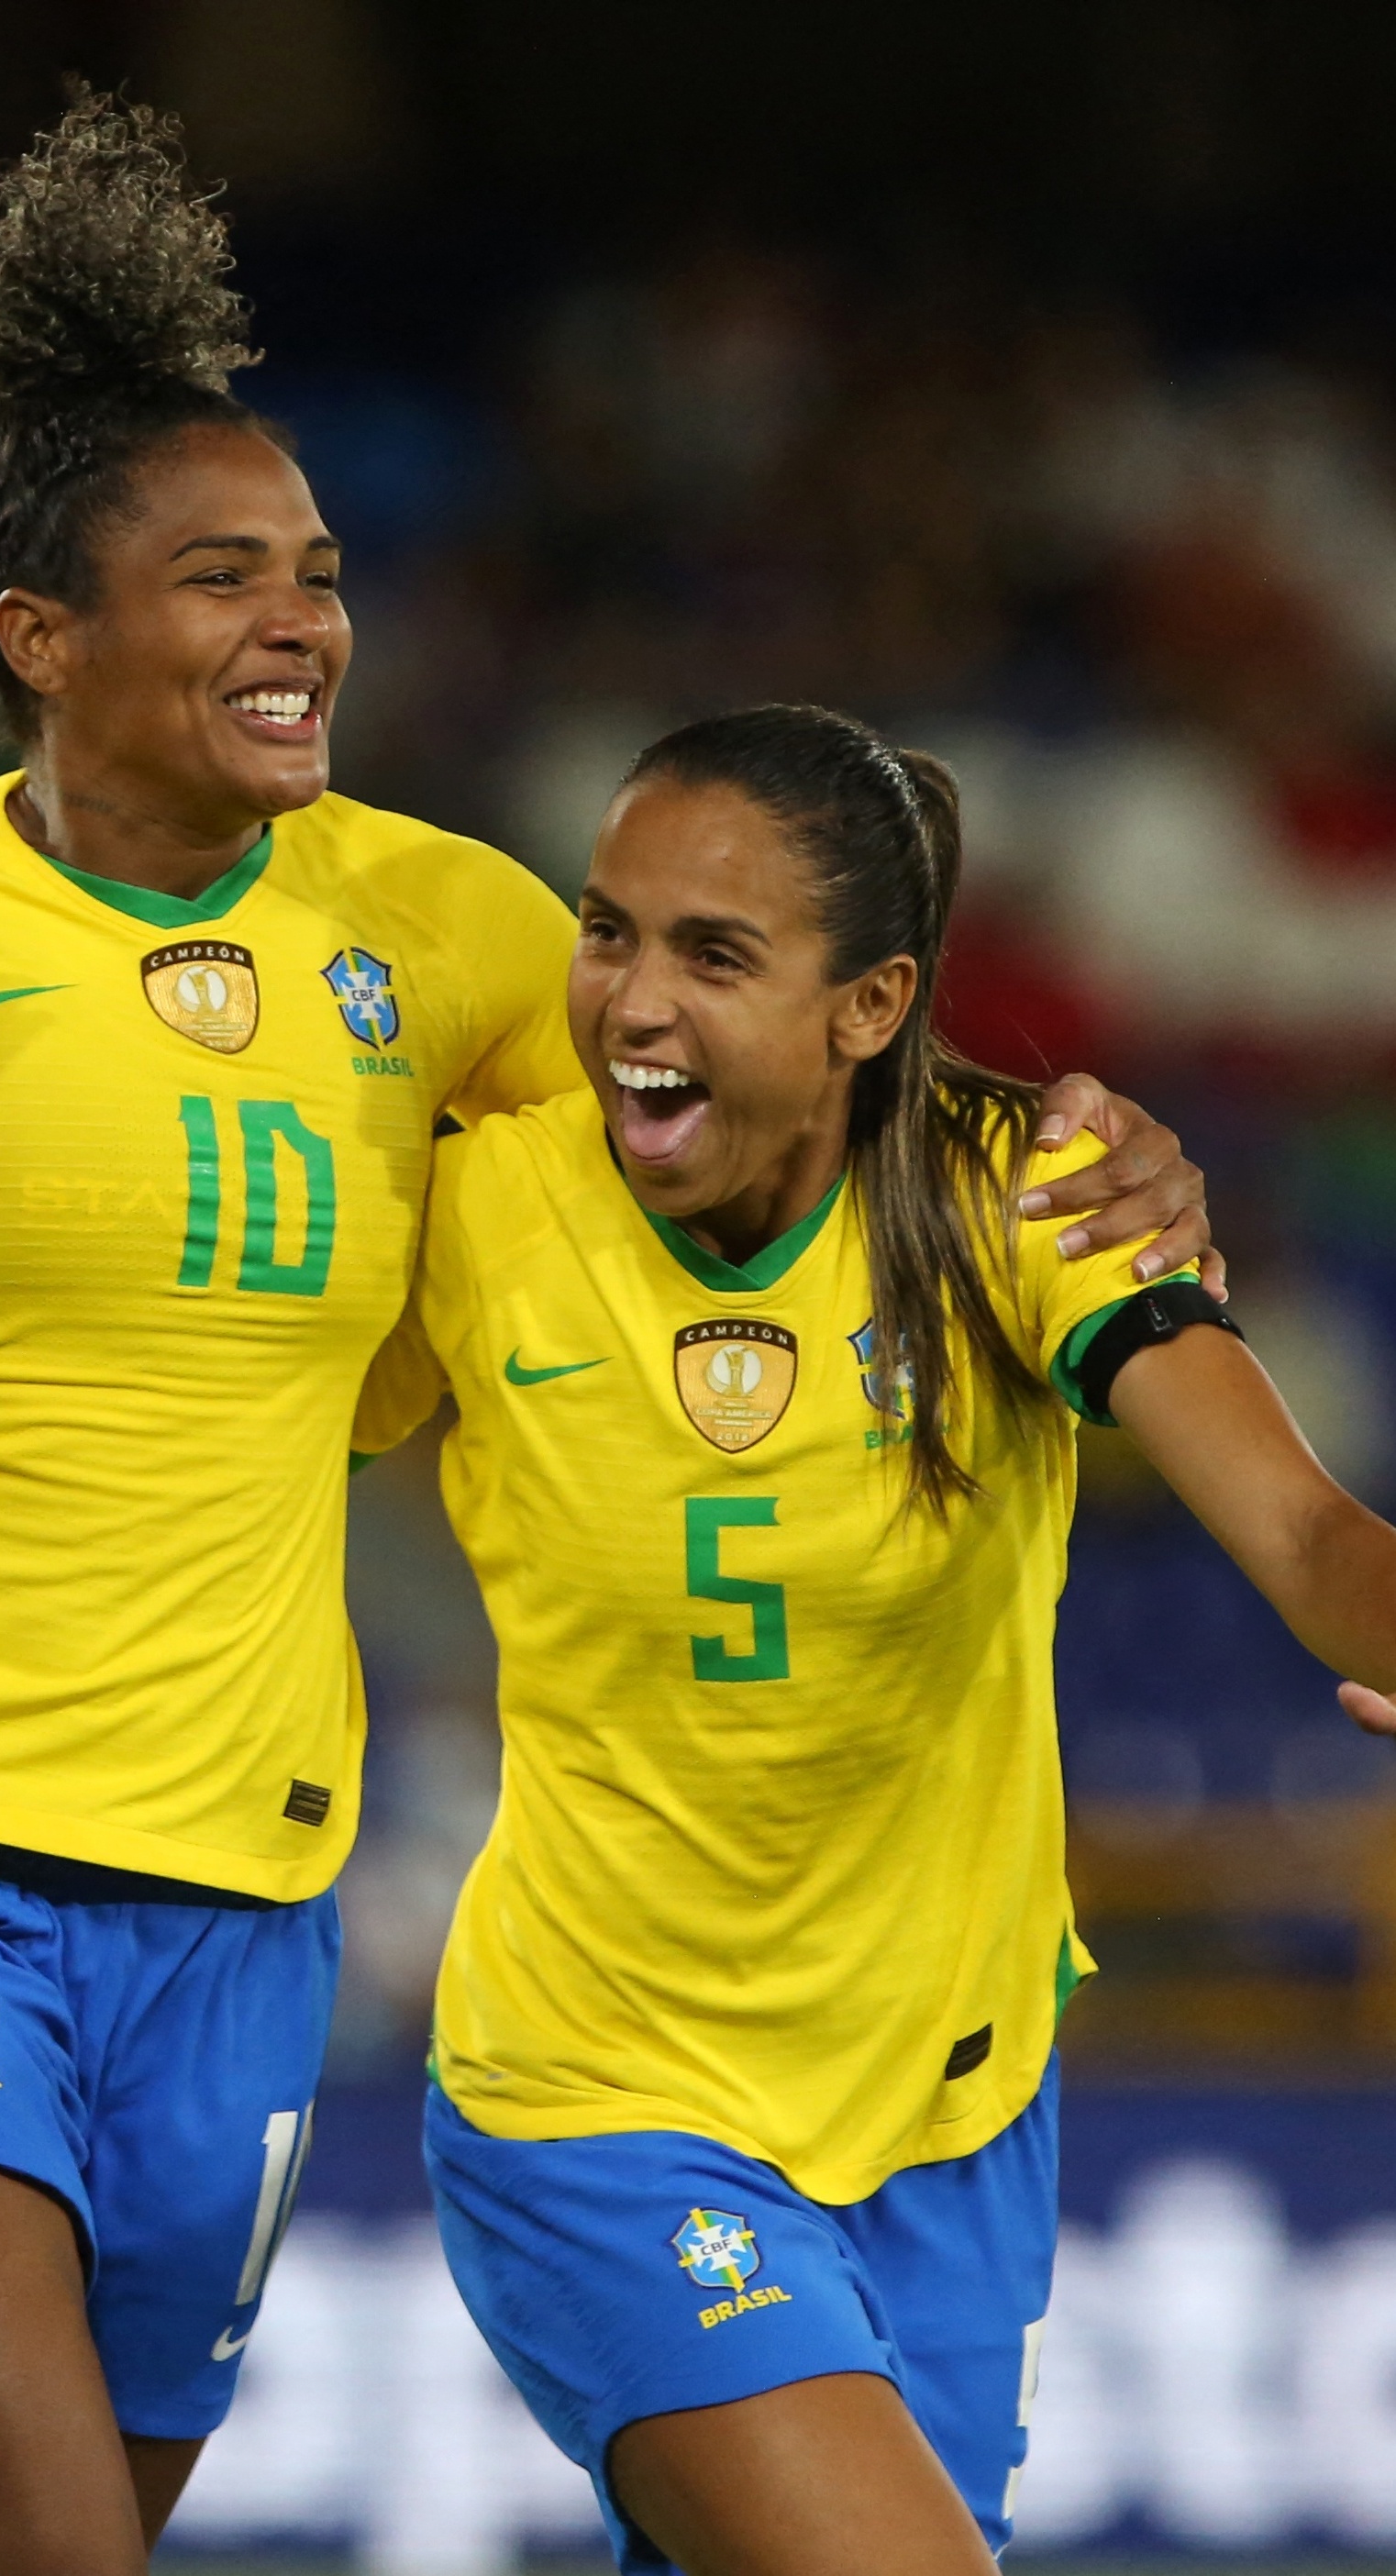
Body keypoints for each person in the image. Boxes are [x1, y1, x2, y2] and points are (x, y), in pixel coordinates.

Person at [0, 91, 1209, 2576]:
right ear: (36, 641)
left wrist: (1071, 1148)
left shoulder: (460, 930)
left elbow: (778, 1110)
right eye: (219, 578)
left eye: (313, 567)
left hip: (234, 1924)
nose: (306, 622)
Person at [343, 702, 1396, 2576]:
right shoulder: (481, 1205)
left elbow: (1311, 1537)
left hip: (948, 2113)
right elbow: (162, 1384)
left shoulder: (1023, 1202)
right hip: (600, 2103)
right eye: (610, 932)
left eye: (716, 954)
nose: (633, 1004)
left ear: (871, 1003)